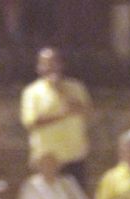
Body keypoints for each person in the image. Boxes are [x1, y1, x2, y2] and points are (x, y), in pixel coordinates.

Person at [20, 48, 92, 188]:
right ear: (39, 68)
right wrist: (61, 115)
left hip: (74, 159)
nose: (51, 67)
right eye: (46, 64)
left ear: (61, 65)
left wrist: (61, 91)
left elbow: (86, 112)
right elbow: (31, 122)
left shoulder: (76, 87)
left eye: (54, 63)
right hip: (45, 162)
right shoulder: (32, 92)